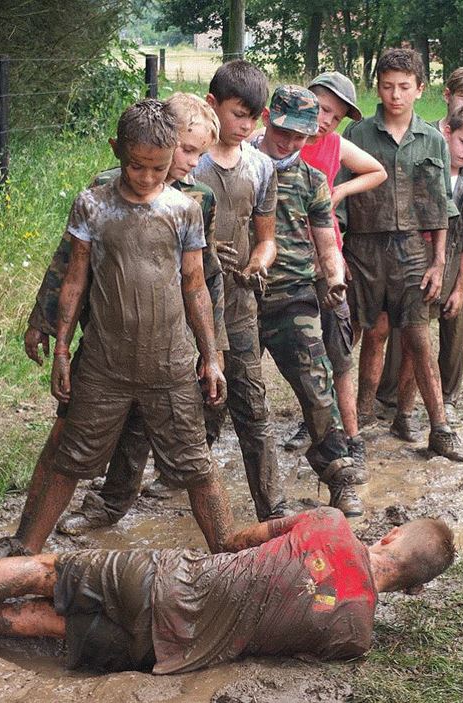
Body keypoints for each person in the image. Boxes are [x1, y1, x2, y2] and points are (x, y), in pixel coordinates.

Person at [0, 95, 231, 556]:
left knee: (197, 466)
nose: (148, 178)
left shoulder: (184, 209)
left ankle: (233, 562)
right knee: (67, 460)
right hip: (103, 365)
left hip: (170, 367)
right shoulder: (92, 205)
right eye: (137, 167)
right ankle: (25, 550)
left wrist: (211, 357)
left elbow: (196, 286)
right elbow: (74, 279)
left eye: (158, 168)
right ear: (118, 151)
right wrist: (61, 351)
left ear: (173, 153)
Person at [0, 507, 456, 674]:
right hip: (167, 652)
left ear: (391, 535)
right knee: (46, 622)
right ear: (412, 589)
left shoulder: (331, 522)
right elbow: (292, 653)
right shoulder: (356, 635)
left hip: (167, 578)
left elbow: (241, 540)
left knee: (46, 571)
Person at [338, 47, 463, 461]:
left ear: (420, 90)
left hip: (413, 248)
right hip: (363, 247)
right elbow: (337, 202)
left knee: (417, 336)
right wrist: (338, 254)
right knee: (371, 334)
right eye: (388, 86)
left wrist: (439, 260)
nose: (395, 95)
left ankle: (439, 428)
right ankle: (360, 421)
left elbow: (442, 206)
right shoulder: (356, 136)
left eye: (404, 87)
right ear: (376, 87)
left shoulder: (432, 138)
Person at [251, 84, 368, 517]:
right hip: (241, 297)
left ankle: (339, 477)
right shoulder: (241, 165)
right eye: (283, 131)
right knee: (218, 391)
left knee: (318, 391)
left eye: (300, 136)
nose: (290, 142)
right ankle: (182, 473)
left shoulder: (312, 181)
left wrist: (335, 279)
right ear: (267, 118)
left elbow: (327, 243)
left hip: (293, 296)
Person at [376, 66, 463, 428]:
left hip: (458, 243)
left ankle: (446, 395)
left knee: (452, 317)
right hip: (416, 252)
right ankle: (393, 399)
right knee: (408, 327)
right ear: (447, 96)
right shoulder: (428, 134)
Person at [194, 60, 290, 521]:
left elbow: (267, 237)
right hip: (191, 306)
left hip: (239, 304)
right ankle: (176, 481)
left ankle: (274, 510)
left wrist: (257, 262)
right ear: (213, 105)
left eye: (254, 116)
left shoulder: (261, 166)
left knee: (253, 405)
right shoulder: (190, 163)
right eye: (238, 114)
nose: (246, 125)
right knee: (196, 398)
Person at [282, 72, 386, 476]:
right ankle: (310, 424)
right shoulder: (272, 141)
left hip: (327, 263)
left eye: (336, 116)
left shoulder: (335, 145)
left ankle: (352, 438)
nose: (326, 121)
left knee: (338, 353)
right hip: (282, 266)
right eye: (323, 109)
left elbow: (376, 170)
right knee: (295, 356)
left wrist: (338, 192)